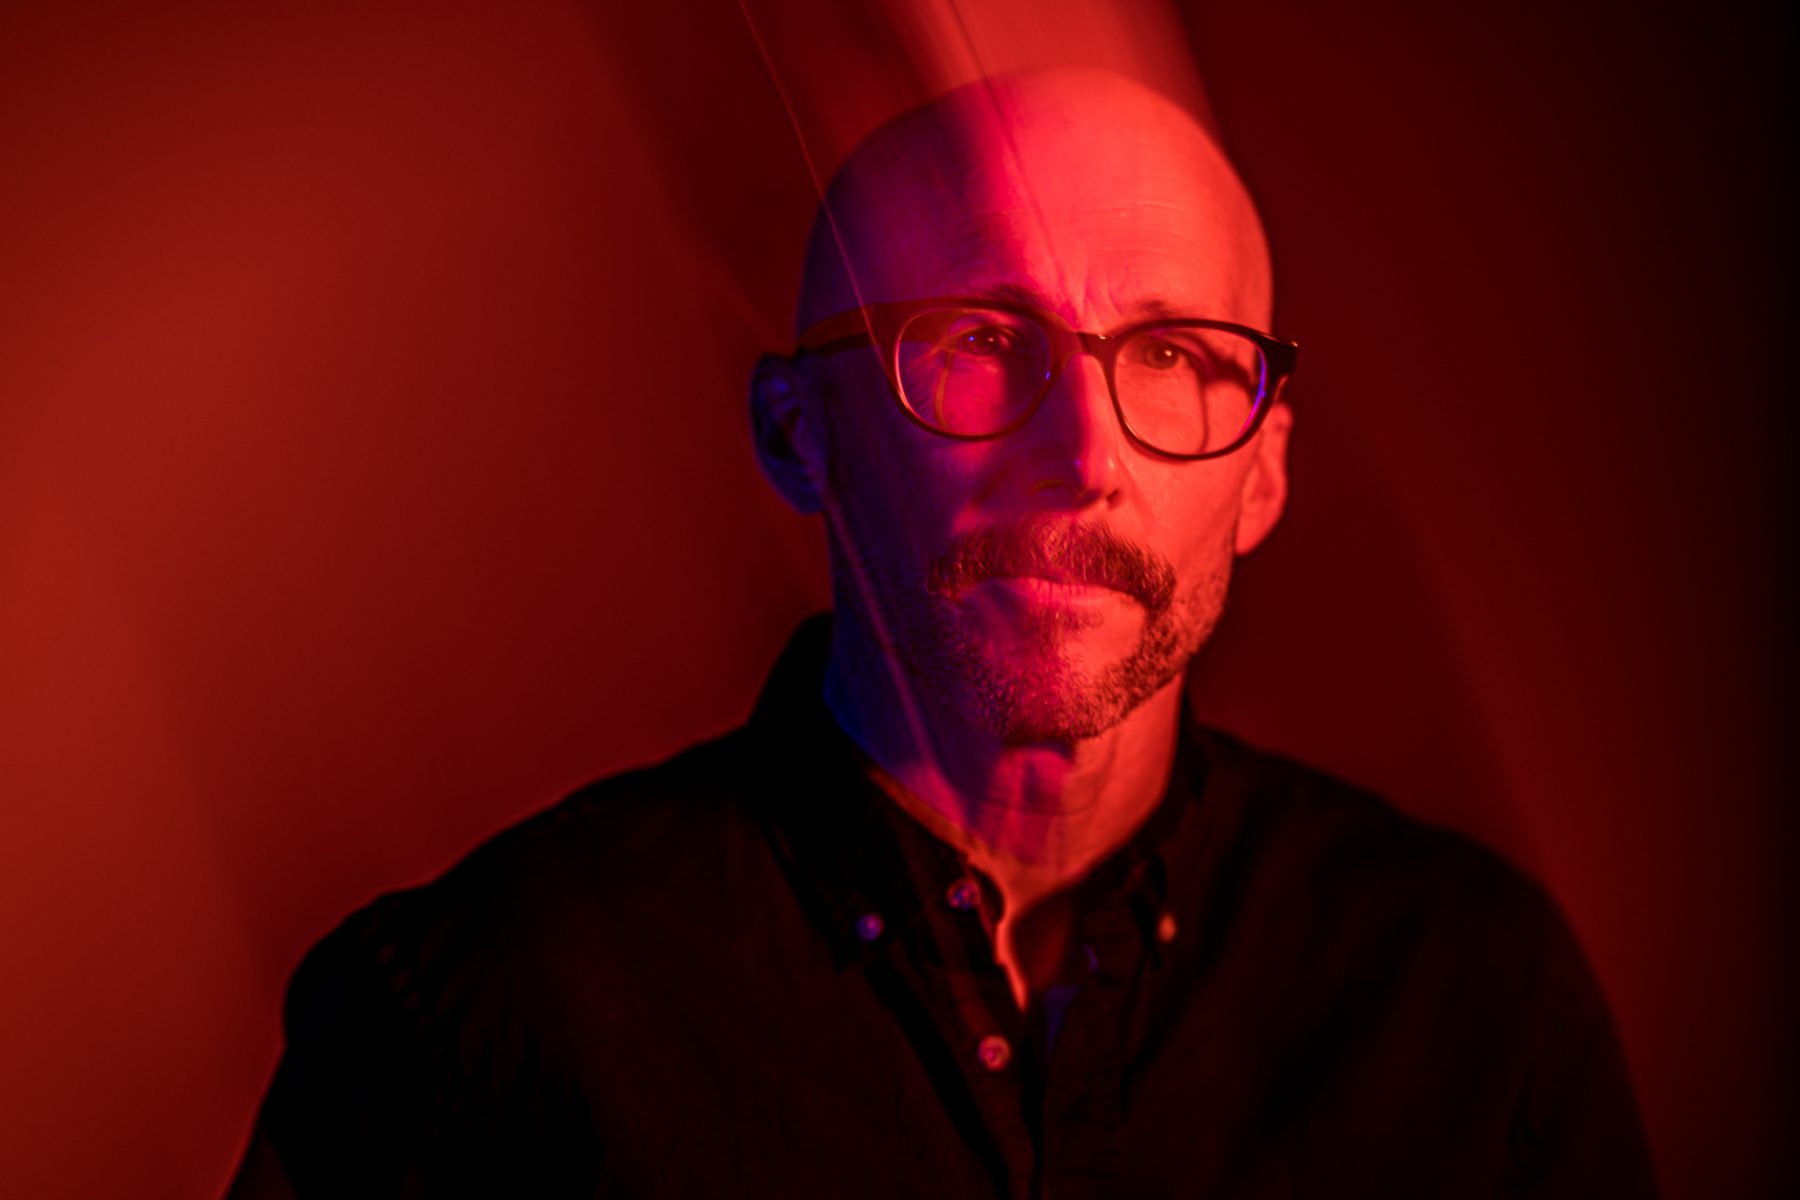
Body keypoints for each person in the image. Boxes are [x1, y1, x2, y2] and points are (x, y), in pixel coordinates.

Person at [227, 69, 1656, 1197]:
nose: (1084, 452)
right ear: (799, 436)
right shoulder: (477, 1017)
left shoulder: (1475, 1004)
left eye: (1174, 357)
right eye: (978, 340)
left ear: (1264, 472)